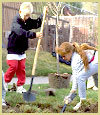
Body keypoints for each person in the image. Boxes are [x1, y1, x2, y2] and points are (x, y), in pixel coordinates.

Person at [4, 2, 48, 93]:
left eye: (28, 16)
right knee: (13, 67)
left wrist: (43, 14)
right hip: (13, 49)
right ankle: (4, 82)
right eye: (25, 15)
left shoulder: (27, 20)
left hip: (22, 50)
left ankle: (20, 86)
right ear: (20, 11)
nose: (27, 18)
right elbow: (21, 32)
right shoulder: (15, 21)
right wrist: (34, 34)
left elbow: (36, 24)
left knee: (21, 68)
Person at [56, 42, 98, 110]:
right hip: (95, 60)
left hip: (97, 61)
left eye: (64, 56)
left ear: (69, 52)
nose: (63, 58)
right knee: (96, 82)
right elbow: (75, 75)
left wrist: (71, 93)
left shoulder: (76, 59)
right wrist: (71, 93)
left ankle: (82, 102)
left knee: (81, 77)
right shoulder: (75, 55)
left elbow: (77, 77)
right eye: (61, 56)